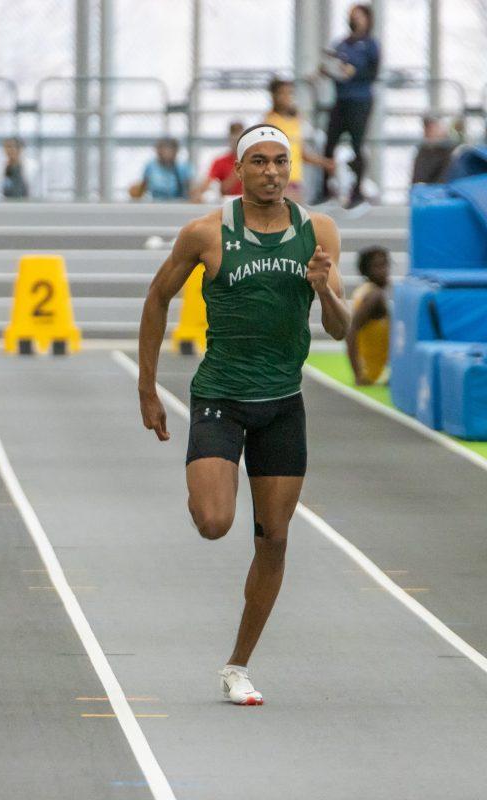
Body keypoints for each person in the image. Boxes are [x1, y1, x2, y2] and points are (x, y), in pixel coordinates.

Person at [137, 124, 350, 705]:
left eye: (281, 161)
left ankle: (238, 665)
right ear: (239, 170)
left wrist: (325, 289)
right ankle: (205, 484)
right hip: (221, 398)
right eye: (259, 161)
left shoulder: (319, 232)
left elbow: (339, 327)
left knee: (274, 540)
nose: (272, 172)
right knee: (213, 523)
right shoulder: (206, 232)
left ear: (292, 168)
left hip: (283, 403)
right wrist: (148, 389)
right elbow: (157, 297)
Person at [319, 3, 381, 207]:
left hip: (360, 100)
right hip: (341, 99)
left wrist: (354, 73)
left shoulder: (370, 45)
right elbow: (333, 64)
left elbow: (373, 72)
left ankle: (357, 190)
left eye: (358, 16)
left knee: (356, 144)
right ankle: (325, 188)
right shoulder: (342, 44)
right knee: (330, 143)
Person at [264, 78, 335, 203]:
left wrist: (324, 163)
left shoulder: (295, 121)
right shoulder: (270, 121)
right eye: (282, 93)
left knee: (295, 218)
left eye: (290, 93)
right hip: (278, 179)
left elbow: (301, 153)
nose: (287, 97)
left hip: (295, 179)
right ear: (274, 96)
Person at [346, 246, 391, 385]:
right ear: (365, 270)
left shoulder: (364, 291)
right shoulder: (374, 296)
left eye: (385, 264)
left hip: (374, 374)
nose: (383, 270)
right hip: (376, 376)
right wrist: (358, 374)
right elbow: (351, 331)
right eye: (377, 266)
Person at [191, 121, 244, 202]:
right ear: (229, 138)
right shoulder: (220, 162)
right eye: (233, 136)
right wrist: (198, 193)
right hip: (228, 204)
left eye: (238, 137)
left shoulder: (252, 161)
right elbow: (217, 187)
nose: (236, 140)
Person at [129, 137, 192, 202]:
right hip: (157, 204)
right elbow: (141, 189)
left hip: (179, 204)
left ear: (176, 151)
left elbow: (190, 189)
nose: (167, 153)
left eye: (170, 149)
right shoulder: (151, 167)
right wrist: (135, 190)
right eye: (163, 149)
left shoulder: (182, 168)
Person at [411, 116, 454, 185]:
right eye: (427, 128)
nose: (429, 132)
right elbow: (418, 179)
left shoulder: (452, 151)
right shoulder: (424, 150)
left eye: (433, 127)